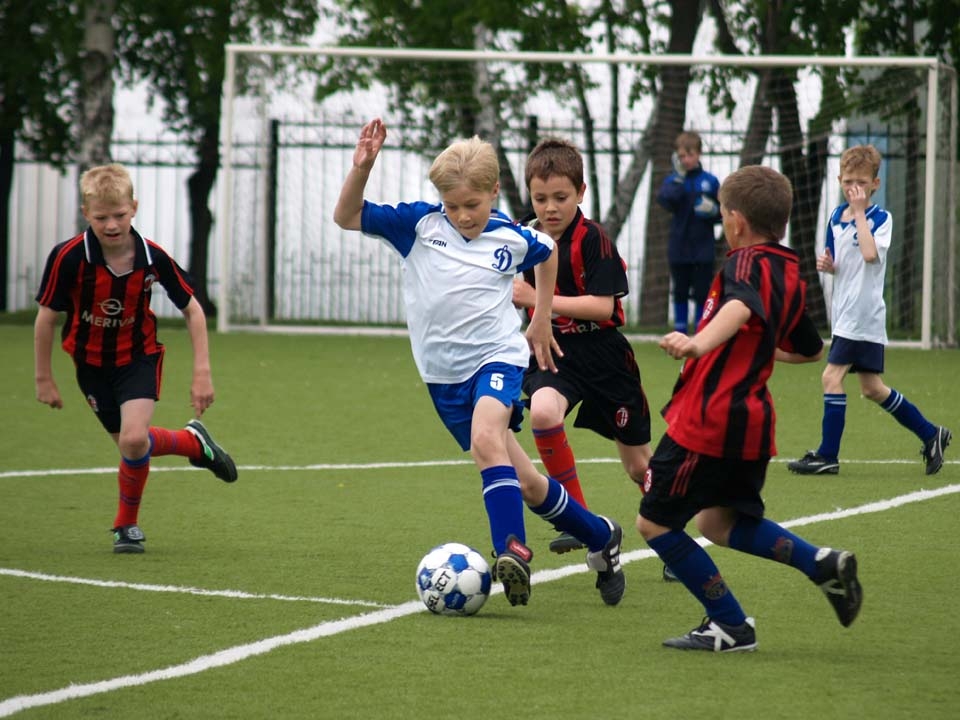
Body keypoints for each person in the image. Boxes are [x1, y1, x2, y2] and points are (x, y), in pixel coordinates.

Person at [333, 118, 625, 608]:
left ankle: (511, 551)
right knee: (528, 482)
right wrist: (362, 168)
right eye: (453, 206)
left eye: (472, 205)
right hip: (442, 378)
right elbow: (346, 216)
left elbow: (547, 253)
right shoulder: (419, 225)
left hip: (497, 359)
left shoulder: (511, 237)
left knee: (486, 439)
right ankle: (601, 536)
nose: (463, 216)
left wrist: (541, 318)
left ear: (494, 192)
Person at [636, 165, 863, 652]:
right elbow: (810, 348)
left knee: (654, 523)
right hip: (752, 427)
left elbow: (738, 308)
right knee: (716, 523)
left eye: (722, 215)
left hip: (709, 420)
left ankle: (730, 624)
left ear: (735, 221)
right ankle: (820, 563)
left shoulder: (743, 264)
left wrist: (698, 344)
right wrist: (760, 351)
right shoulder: (789, 272)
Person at [34, 163, 237, 554]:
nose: (111, 225)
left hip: (137, 357)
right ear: (85, 213)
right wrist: (44, 378)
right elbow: (47, 317)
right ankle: (195, 444)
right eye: (101, 217)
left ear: (135, 208)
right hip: (89, 365)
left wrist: (202, 372)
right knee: (133, 445)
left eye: (120, 215)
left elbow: (193, 310)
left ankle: (126, 526)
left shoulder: (151, 257)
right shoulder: (70, 257)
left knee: (132, 439)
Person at [512, 137, 653, 559]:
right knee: (541, 413)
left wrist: (537, 299)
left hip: (606, 356)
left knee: (639, 467)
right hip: (553, 349)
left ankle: (674, 531)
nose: (550, 207)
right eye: (540, 198)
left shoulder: (594, 239)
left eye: (561, 197)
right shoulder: (521, 234)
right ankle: (581, 520)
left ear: (581, 194)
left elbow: (601, 306)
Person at [787, 144, 951, 476]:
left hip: (862, 315)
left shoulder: (880, 218)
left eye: (861, 183)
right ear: (839, 180)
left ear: (874, 184)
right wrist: (828, 265)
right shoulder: (835, 216)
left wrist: (860, 212)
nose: (854, 189)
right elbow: (840, 260)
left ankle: (827, 455)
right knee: (872, 388)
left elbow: (870, 255)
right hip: (846, 314)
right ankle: (932, 433)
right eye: (848, 182)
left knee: (831, 377)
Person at [656, 130, 722, 334]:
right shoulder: (673, 181)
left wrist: (713, 211)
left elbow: (722, 213)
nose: (686, 160)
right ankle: (680, 331)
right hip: (679, 246)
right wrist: (680, 178)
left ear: (699, 153)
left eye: (690, 155)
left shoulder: (710, 181)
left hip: (703, 248)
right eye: (682, 156)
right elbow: (666, 201)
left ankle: (702, 331)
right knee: (680, 291)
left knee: (703, 291)